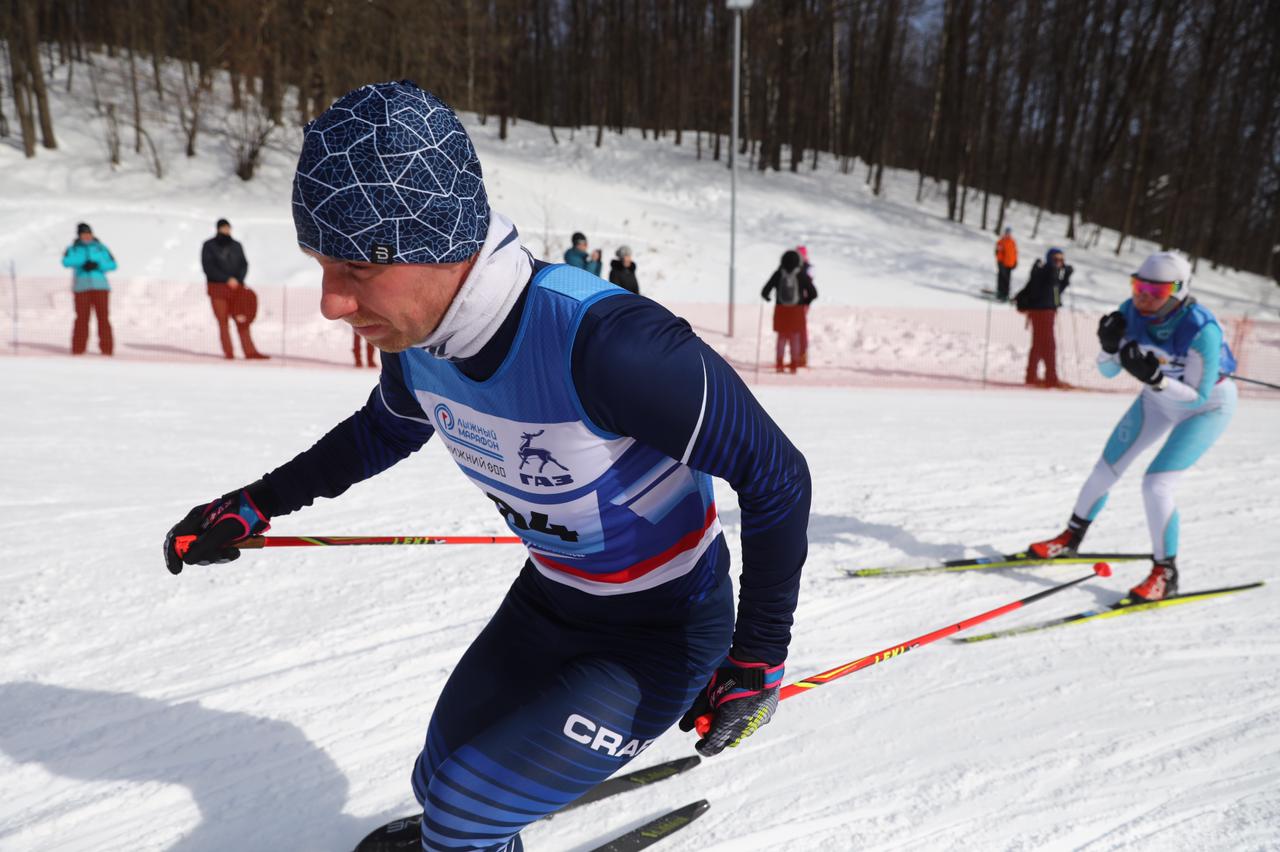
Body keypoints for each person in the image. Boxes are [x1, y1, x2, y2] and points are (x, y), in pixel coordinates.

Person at [164, 81, 810, 852]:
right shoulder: (421, 343)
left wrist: (758, 658)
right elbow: (383, 431)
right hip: (551, 603)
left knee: (466, 806)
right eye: (320, 266)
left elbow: (777, 477)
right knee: (434, 782)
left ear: (438, 243)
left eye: (356, 269)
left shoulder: (608, 345)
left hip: (663, 632)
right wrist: (254, 503)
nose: (332, 303)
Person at [1028, 251, 1236, 601]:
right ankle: (1070, 539)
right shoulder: (1130, 311)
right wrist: (1109, 348)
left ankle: (1165, 573)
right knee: (1106, 468)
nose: (1143, 296)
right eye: (1139, 285)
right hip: (1157, 401)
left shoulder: (1201, 328)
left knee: (1156, 485)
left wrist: (1157, 380)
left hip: (1206, 408)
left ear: (1179, 291)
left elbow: (1198, 398)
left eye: (1156, 291)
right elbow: (1108, 371)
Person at [201, 218, 268, 360]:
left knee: (242, 321)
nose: (226, 230)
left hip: (237, 289)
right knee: (223, 322)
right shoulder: (209, 246)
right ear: (218, 229)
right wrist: (226, 279)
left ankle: (250, 352)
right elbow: (208, 267)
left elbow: (244, 264)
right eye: (223, 228)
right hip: (217, 289)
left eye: (228, 228)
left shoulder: (237, 245)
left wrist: (237, 280)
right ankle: (229, 353)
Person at [1013, 247, 1072, 387]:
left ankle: (1031, 376)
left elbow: (1056, 294)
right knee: (1048, 345)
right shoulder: (1045, 272)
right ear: (1050, 259)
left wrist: (1065, 278)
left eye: (1062, 260)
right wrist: (1059, 276)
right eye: (1057, 259)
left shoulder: (1052, 273)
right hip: (1041, 313)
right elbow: (1044, 291)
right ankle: (1050, 378)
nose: (1059, 262)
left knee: (1039, 345)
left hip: (1047, 312)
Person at [61, 222, 117, 356]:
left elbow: (113, 264)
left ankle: (107, 349)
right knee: (82, 318)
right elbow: (66, 261)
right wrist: (83, 262)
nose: (86, 236)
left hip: (100, 287)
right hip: (81, 288)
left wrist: (97, 265)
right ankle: (78, 349)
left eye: (88, 233)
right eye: (83, 234)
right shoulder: (73, 248)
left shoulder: (101, 248)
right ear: (79, 235)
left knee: (103, 318)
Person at [761, 249, 817, 373]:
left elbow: (765, 291)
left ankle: (779, 363)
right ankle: (793, 365)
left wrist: (768, 297)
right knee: (794, 337)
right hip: (797, 311)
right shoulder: (801, 275)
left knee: (781, 337)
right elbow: (813, 293)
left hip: (781, 310)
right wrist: (805, 302)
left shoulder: (778, 274)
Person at [795, 245, 814, 367]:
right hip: (801, 303)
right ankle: (800, 356)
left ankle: (800, 356)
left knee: (798, 330)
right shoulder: (809, 268)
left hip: (798, 304)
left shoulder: (802, 268)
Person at [994, 227, 1017, 302]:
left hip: (1009, 264)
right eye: (1006, 233)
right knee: (1001, 278)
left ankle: (1005, 294)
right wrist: (1000, 262)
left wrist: (1015, 262)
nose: (1008, 234)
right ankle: (1000, 293)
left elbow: (1015, 253)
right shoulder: (1001, 241)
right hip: (1002, 264)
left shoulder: (1012, 242)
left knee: (1007, 279)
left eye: (1009, 233)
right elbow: (998, 253)